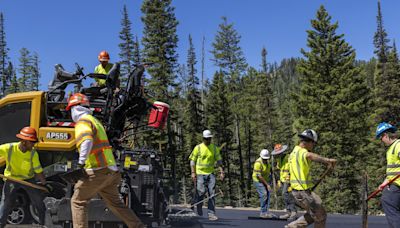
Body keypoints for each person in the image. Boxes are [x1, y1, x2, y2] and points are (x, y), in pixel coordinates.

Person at [66, 93, 145, 228]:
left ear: (75, 108)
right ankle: (138, 226)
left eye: (71, 110)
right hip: (111, 171)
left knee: (78, 201)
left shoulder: (83, 121)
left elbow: (86, 140)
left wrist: (81, 163)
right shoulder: (95, 121)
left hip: (97, 170)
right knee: (116, 204)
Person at [285, 129, 336, 228]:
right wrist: (328, 160)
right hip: (302, 192)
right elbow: (310, 156)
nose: (313, 146)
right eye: (313, 143)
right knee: (320, 216)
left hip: (300, 191)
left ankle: (292, 226)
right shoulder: (302, 152)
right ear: (309, 141)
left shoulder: (293, 152)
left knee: (315, 213)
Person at [0, 127, 49, 227]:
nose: (33, 144)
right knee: (6, 202)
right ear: (23, 142)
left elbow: (38, 170)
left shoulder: (33, 153)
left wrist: (45, 184)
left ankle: (42, 224)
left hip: (28, 179)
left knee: (38, 201)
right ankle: (1, 224)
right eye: (32, 142)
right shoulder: (9, 148)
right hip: (11, 179)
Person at [189, 129, 225, 221]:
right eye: (206, 139)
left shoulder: (214, 148)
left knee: (211, 194)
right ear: (203, 138)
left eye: (209, 138)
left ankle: (211, 214)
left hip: (211, 173)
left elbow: (219, 160)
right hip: (200, 173)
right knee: (200, 192)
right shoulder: (198, 148)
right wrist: (193, 173)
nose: (208, 140)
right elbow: (192, 161)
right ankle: (199, 205)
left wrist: (221, 171)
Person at [376, 122, 400, 228]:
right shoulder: (391, 149)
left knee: (387, 201)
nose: (381, 140)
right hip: (393, 182)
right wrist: (384, 183)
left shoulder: (398, 145)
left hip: (397, 184)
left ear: (385, 135)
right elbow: (392, 171)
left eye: (380, 137)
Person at [272, 144, 297, 221]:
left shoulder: (289, 157)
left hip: (288, 179)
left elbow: (293, 168)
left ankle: (293, 211)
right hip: (282, 179)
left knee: (286, 194)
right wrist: (279, 180)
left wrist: (290, 177)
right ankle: (288, 212)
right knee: (285, 195)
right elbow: (280, 169)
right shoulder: (279, 159)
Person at [252, 149, 273, 218]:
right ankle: (263, 212)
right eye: (264, 158)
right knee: (264, 194)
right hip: (258, 180)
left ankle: (266, 212)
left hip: (265, 180)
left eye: (266, 158)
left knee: (268, 194)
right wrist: (267, 185)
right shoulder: (258, 163)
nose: (265, 160)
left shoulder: (267, 162)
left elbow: (269, 171)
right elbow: (259, 176)